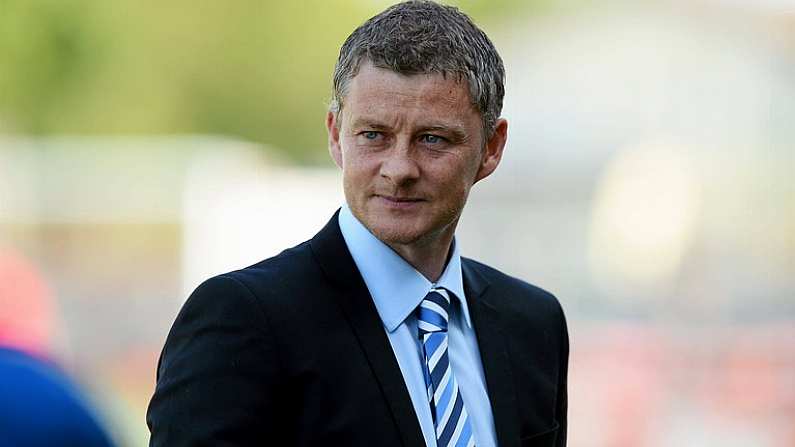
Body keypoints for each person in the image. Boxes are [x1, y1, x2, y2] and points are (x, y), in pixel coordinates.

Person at [147, 1, 568, 446]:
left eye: (432, 139)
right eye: (374, 135)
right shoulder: (243, 320)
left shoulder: (533, 325)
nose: (399, 168)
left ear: (491, 147)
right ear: (335, 135)